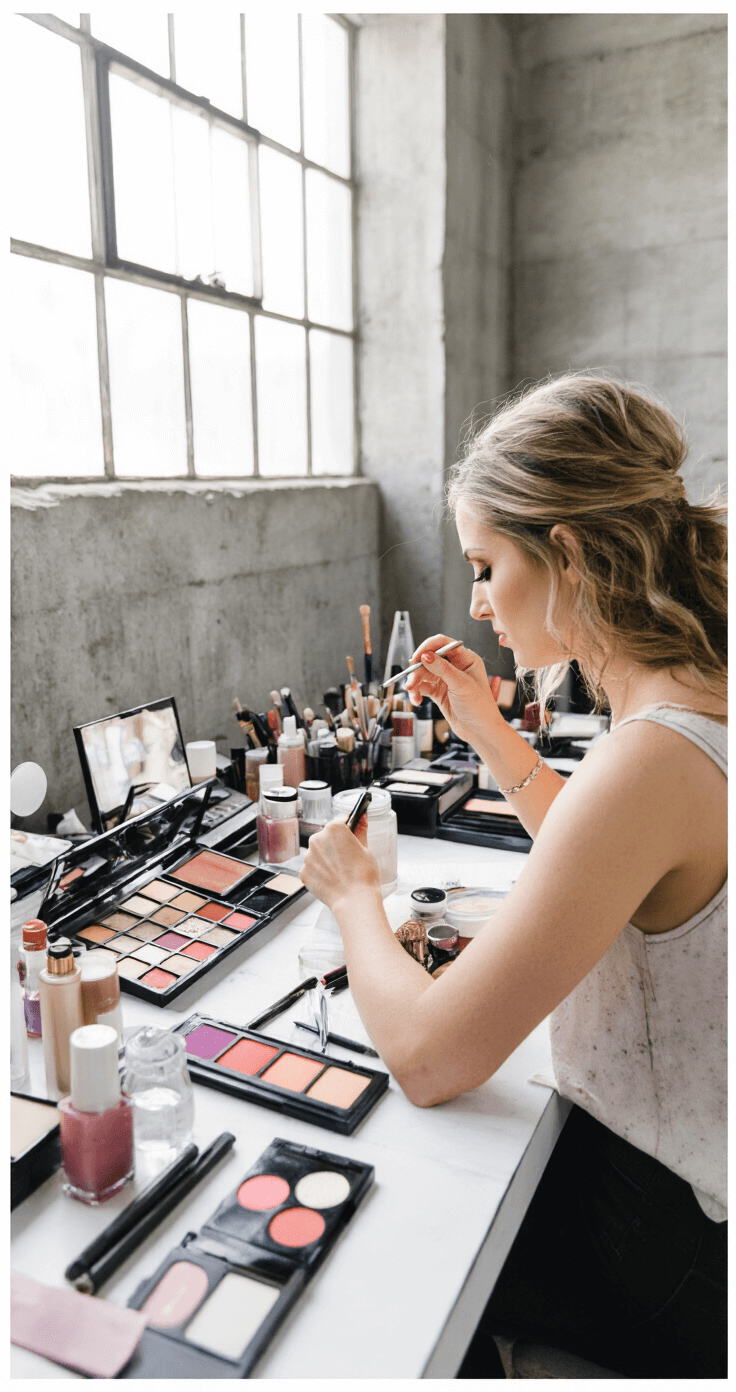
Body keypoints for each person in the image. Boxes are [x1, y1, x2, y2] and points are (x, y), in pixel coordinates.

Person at [300, 374, 727, 1378]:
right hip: (678, 1190)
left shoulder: (648, 756)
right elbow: (607, 860)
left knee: (384, 1258)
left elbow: (427, 1057)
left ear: (568, 554)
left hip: (662, 1239)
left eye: (486, 567)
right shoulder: (694, 699)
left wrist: (354, 899)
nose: (478, 603)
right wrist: (489, 733)